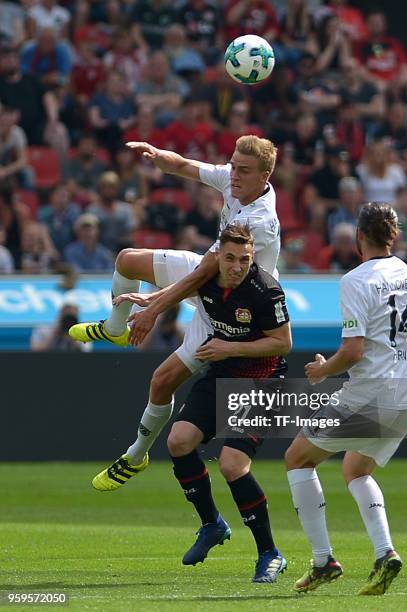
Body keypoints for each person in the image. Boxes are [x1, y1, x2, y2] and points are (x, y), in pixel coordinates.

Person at [68, 134, 280, 493]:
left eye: (243, 170)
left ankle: (136, 455)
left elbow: (201, 276)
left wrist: (154, 307)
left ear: (266, 175)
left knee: (161, 380)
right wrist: (156, 155)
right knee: (126, 261)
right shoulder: (234, 180)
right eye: (232, 166)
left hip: (233, 311)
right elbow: (184, 166)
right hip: (212, 282)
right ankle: (115, 329)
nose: (233, 175)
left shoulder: (259, 221)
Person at [285, 202, 407, 595]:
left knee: (297, 458)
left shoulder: (355, 280)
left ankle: (323, 561)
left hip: (370, 392)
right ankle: (385, 553)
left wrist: (322, 371)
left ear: (359, 238)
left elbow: (351, 351)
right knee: (356, 469)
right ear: (394, 235)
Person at [166, 224, 290, 581]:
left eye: (245, 260)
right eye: (231, 258)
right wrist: (146, 304)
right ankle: (212, 525)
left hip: (263, 381)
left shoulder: (266, 291)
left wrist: (228, 347)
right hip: (222, 373)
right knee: (178, 441)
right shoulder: (204, 279)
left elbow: (283, 343)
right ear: (218, 256)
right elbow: (170, 290)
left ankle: (270, 553)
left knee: (232, 464)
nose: (237, 266)